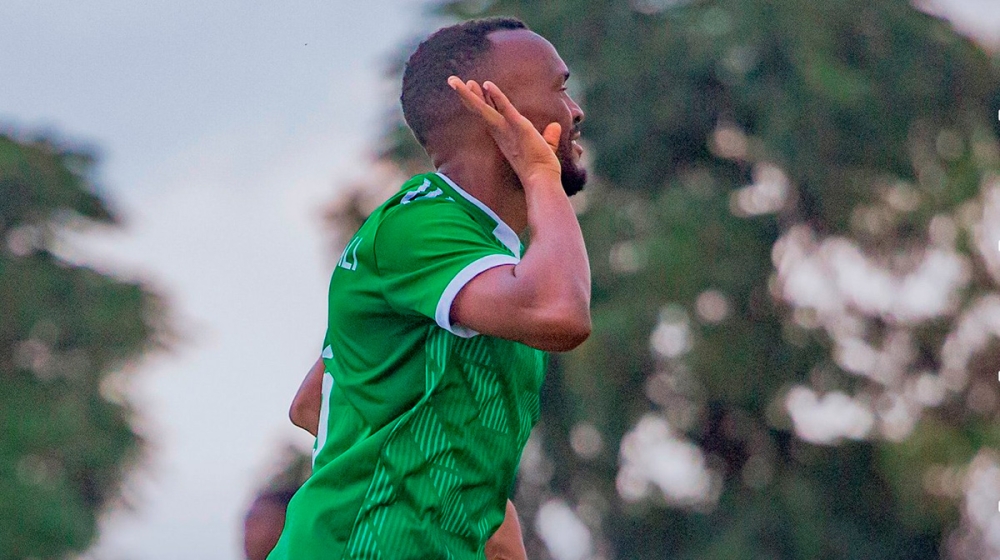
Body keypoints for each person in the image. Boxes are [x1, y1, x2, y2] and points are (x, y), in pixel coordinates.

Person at [267, 16, 591, 560]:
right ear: (490, 110)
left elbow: (313, 402)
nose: (575, 110)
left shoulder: (484, 254)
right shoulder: (419, 227)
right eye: (559, 88)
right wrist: (540, 175)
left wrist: (474, 505)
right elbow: (562, 313)